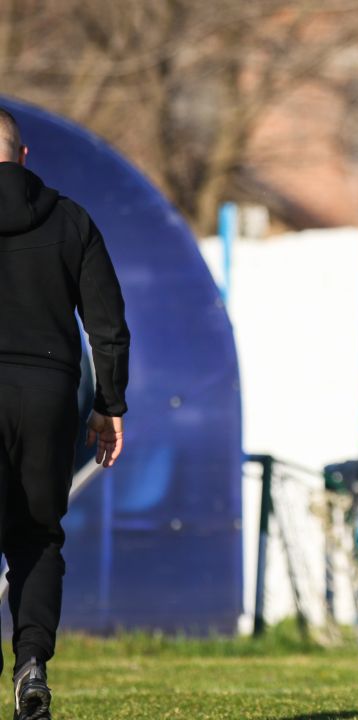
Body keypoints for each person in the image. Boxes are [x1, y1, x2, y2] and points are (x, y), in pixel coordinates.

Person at [0, 108, 129, 720]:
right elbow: (107, 323)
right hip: (49, 396)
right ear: (23, 158)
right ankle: (31, 665)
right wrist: (109, 405)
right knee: (38, 537)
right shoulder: (71, 219)